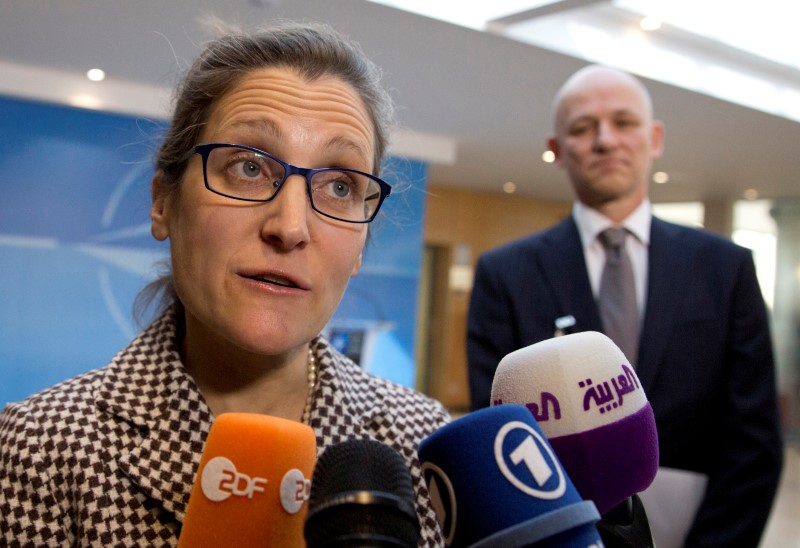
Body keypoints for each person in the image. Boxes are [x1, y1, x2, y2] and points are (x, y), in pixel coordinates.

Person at [0, 21, 450, 546]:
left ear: (360, 247)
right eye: (249, 167)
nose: (290, 227)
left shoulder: (422, 441)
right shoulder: (36, 451)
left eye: (340, 185)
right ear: (164, 202)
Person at [467, 65, 783, 547]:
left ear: (654, 138)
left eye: (624, 122)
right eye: (582, 127)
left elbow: (754, 443)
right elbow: (504, 440)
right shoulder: (505, 274)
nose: (605, 140)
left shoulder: (727, 269)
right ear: (556, 149)